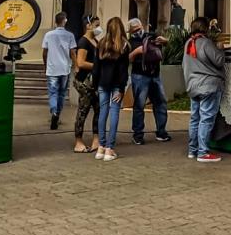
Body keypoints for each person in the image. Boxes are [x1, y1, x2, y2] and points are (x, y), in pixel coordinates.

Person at [182, 17, 226, 163]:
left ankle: (192, 150)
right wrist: (220, 48)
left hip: (193, 86)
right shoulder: (206, 43)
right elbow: (219, 61)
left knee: (195, 119)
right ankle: (203, 152)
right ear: (205, 28)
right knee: (206, 118)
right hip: (208, 85)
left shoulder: (188, 43)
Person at [127, 18, 170, 146]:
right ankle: (138, 134)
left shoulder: (151, 36)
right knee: (139, 105)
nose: (138, 32)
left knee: (161, 103)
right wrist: (136, 52)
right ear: (130, 31)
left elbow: (165, 44)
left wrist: (164, 41)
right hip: (139, 75)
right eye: (134, 30)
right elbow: (126, 59)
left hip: (155, 74)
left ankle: (161, 131)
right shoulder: (129, 42)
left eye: (139, 29)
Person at [94, 17, 129, 162]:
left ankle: (101, 147)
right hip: (116, 84)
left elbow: (96, 68)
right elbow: (123, 70)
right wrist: (122, 88)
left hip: (102, 83)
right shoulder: (124, 45)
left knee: (103, 112)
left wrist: (95, 84)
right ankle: (110, 148)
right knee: (114, 113)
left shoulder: (101, 44)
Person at [72, 15, 102, 153]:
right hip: (85, 82)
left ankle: (96, 138)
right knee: (83, 110)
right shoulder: (83, 42)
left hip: (94, 82)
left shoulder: (95, 40)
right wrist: (98, 66)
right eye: (96, 25)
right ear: (88, 25)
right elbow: (80, 62)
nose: (98, 28)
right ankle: (78, 141)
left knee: (98, 109)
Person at [42, 12, 77, 130]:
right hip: (64, 68)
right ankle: (58, 113)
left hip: (52, 68)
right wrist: (76, 65)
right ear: (65, 21)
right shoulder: (70, 35)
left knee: (53, 92)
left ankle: (54, 113)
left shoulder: (48, 35)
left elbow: (44, 52)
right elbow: (72, 52)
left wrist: (45, 64)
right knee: (62, 93)